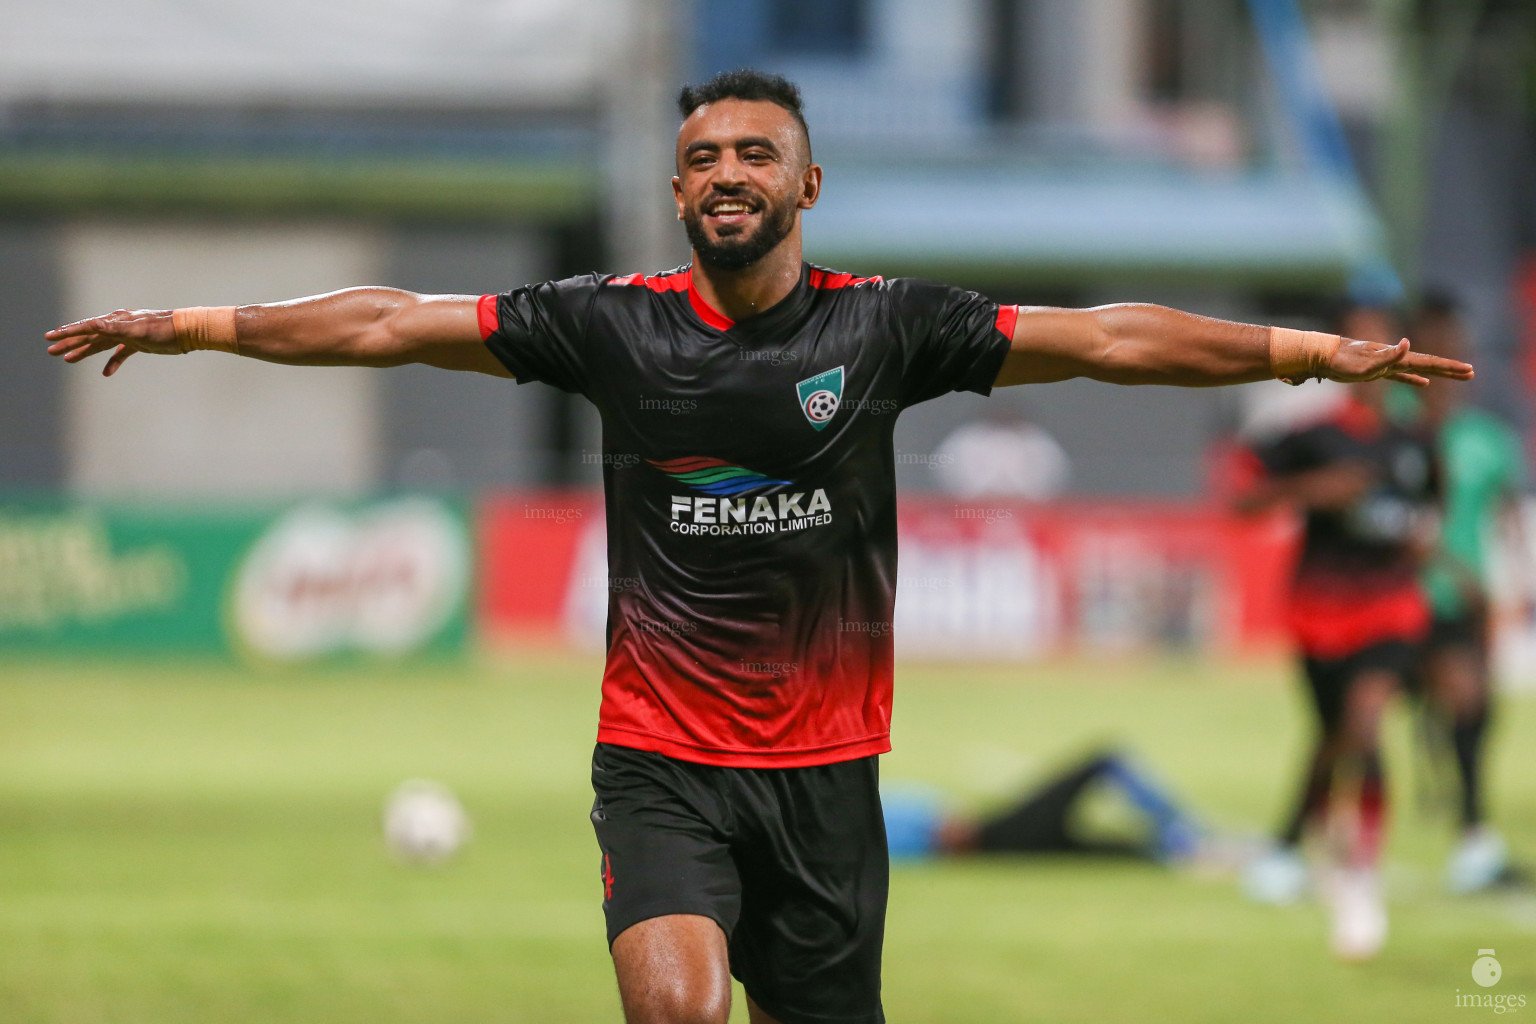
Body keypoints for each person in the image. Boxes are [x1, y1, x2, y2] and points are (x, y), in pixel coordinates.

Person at [45, 70, 1471, 1024]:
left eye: (753, 155)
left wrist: (1300, 351)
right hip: (659, 766)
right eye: (701, 160)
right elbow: (386, 319)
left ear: (808, 182)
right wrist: (193, 324)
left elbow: (1106, 342)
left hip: (828, 781)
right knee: (676, 1008)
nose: (724, 174)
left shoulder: (888, 327)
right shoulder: (611, 322)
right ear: (678, 194)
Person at [1236, 305, 1443, 962]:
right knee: (1332, 736)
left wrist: (1416, 545)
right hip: (1318, 612)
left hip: (1389, 610)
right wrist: (1310, 490)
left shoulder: (1414, 445)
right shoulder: (1306, 436)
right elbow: (1241, 499)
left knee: (1366, 718)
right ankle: (1291, 847)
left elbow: (1428, 521)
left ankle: (1359, 871)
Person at [1407, 294, 1528, 893]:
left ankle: (1473, 837)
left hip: (1464, 600)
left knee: (1476, 708)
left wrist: (1517, 582)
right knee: (1353, 723)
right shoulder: (1395, 424)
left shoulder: (1487, 437)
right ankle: (1303, 842)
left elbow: (1506, 513)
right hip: (1398, 595)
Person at [883, 749, 1203, 865]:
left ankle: (1182, 839)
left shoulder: (871, 811)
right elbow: (942, 832)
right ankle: (1182, 834)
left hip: (994, 838)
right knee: (1102, 762)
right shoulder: (871, 820)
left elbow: (938, 816)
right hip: (992, 840)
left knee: (1120, 852)